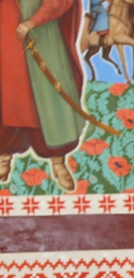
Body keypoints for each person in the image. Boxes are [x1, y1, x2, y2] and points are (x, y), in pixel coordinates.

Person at [0, 0, 85, 192]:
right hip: (5, 39)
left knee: (51, 100)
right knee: (7, 100)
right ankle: (3, 157)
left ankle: (58, 161)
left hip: (42, 36)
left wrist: (34, 20)